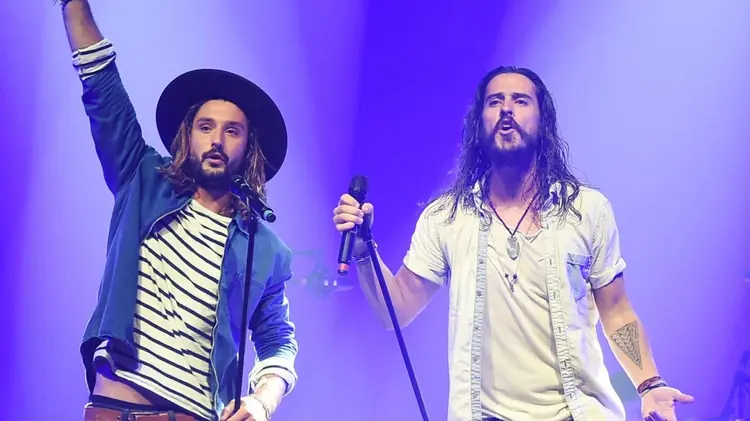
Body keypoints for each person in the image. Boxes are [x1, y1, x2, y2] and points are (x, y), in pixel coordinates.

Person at [332, 66, 694, 421]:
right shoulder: (446, 217)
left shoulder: (587, 210)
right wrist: (364, 249)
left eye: (520, 100)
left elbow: (616, 311)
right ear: (479, 123)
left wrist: (650, 384)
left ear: (543, 121)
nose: (507, 109)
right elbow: (395, 311)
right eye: (495, 102)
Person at [59, 1, 298, 420]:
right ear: (187, 136)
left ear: (250, 148)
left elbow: (279, 340)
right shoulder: (142, 179)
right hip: (114, 407)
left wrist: (262, 401)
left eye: (232, 131)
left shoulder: (265, 249)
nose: (217, 140)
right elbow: (102, 86)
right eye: (206, 127)